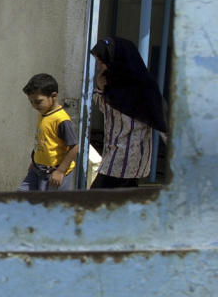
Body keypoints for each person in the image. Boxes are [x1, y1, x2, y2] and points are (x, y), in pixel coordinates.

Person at [89, 36, 167, 188]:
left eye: (101, 62)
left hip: (127, 161)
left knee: (93, 201)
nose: (100, 67)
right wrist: (100, 88)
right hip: (112, 157)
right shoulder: (112, 85)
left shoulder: (144, 89)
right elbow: (105, 109)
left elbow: (163, 123)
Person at [17, 73, 79, 191]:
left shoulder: (61, 120)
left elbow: (74, 146)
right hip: (37, 170)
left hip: (55, 174)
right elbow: (43, 141)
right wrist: (35, 161)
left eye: (38, 101)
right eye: (31, 102)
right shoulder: (43, 114)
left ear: (53, 96)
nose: (34, 106)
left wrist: (61, 171)